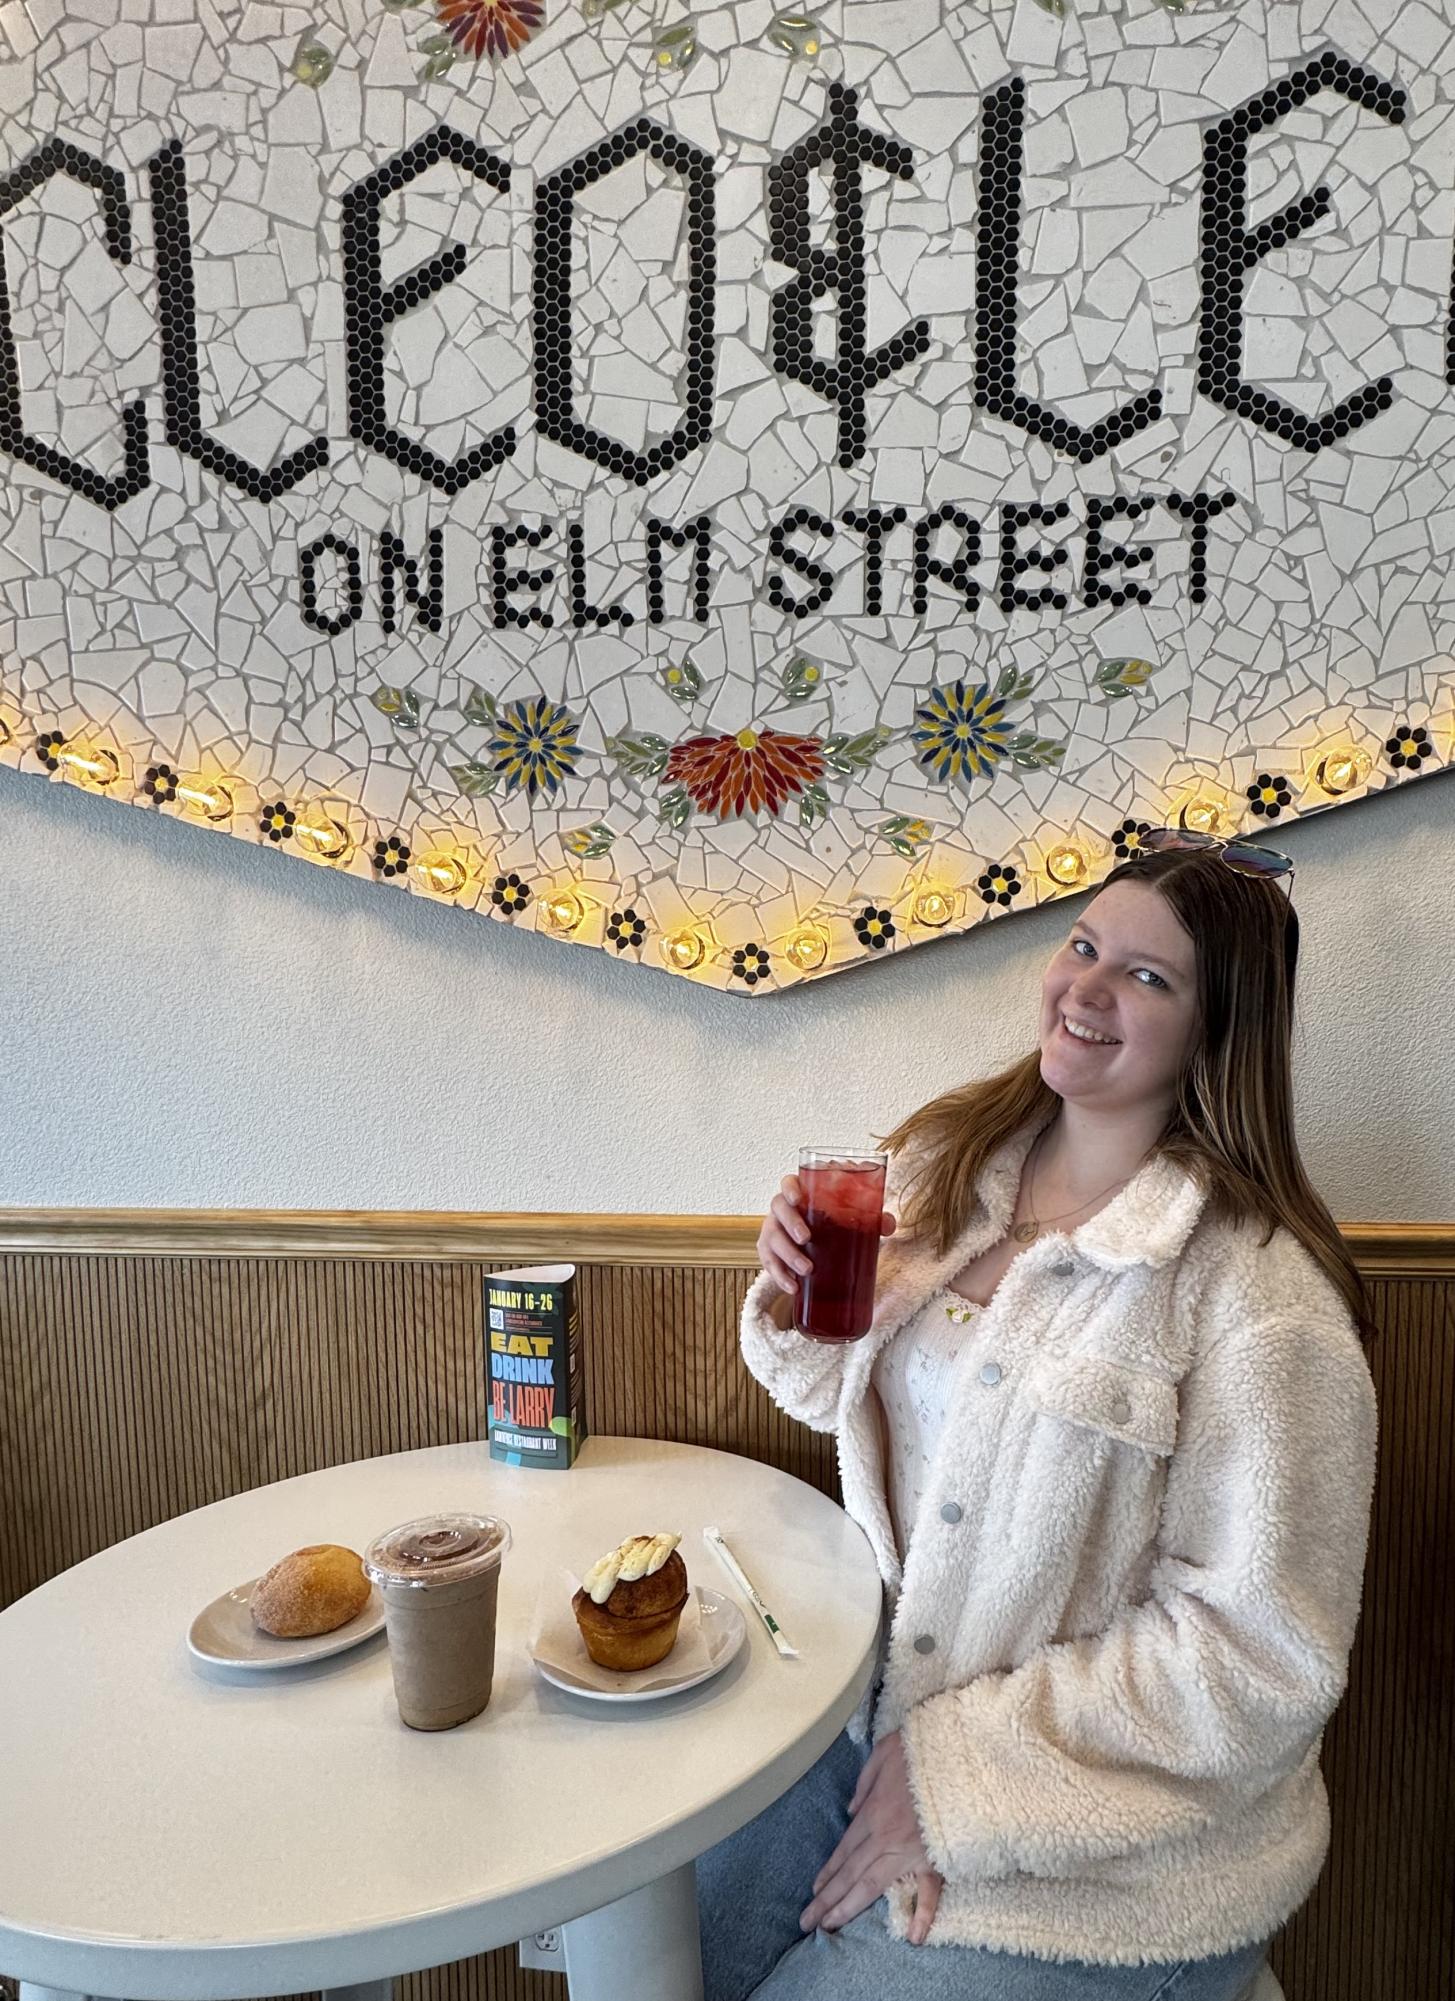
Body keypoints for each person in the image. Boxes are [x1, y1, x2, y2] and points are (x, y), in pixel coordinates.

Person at [697, 839, 1378, 2001]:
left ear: (1221, 1029)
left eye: (1149, 978)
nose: (1089, 989)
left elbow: (1261, 1656)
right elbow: (844, 1402)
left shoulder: (1260, 1302)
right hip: (871, 1721)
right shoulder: (943, 1168)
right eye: (1083, 946)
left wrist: (954, 1780)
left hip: (1114, 1856)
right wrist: (798, 1296)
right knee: (672, 1939)